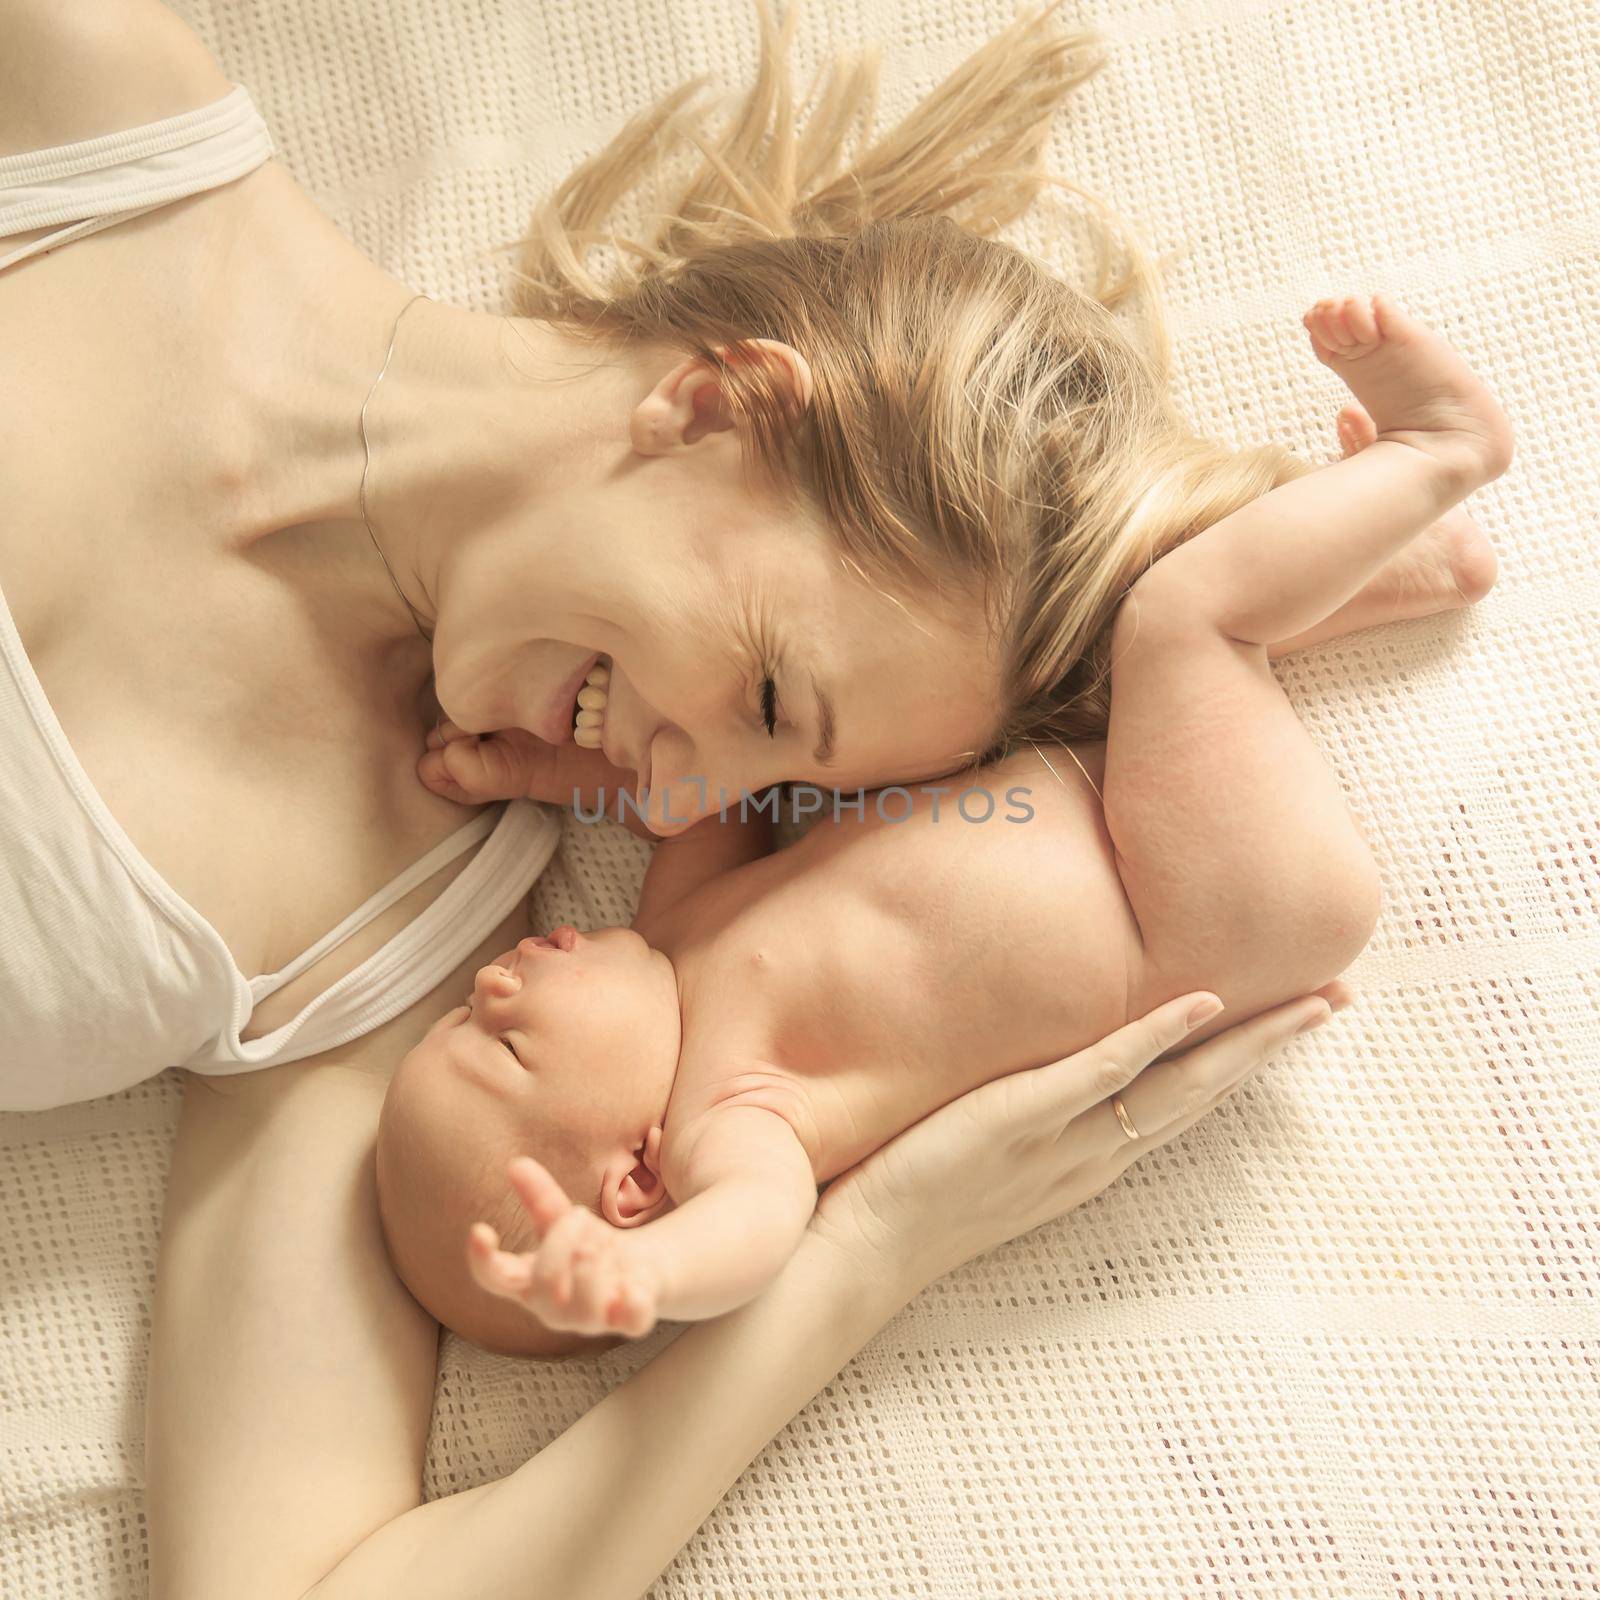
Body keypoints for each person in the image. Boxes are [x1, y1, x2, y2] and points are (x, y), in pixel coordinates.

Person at [0, 1, 1475, 1593]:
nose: (686, 783)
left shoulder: (398, 963)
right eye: (771, 699)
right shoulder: (96, 115)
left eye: (791, 780)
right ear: (726, 405)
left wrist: (861, 1257)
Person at [376, 295, 1510, 1353]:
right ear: (631, 1178)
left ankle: (1414, 554)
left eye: (455, 1013)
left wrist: (542, 766)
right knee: (1181, 623)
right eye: (504, 1043)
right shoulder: (731, 1113)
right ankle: (1445, 447)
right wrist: (647, 1279)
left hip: (1116, 803)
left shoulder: (677, 924)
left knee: (1097, 651)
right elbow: (752, 1233)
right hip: (1198, 916)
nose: (490, 984)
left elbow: (678, 791)